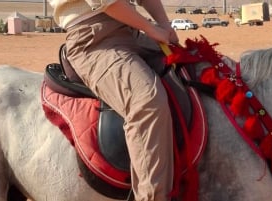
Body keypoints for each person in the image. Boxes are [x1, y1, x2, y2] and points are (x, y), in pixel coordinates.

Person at [49, 0, 179, 200]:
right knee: (147, 101)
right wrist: (151, 28)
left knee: (193, 69)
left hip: (132, 30)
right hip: (93, 39)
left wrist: (165, 24)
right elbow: (107, 2)